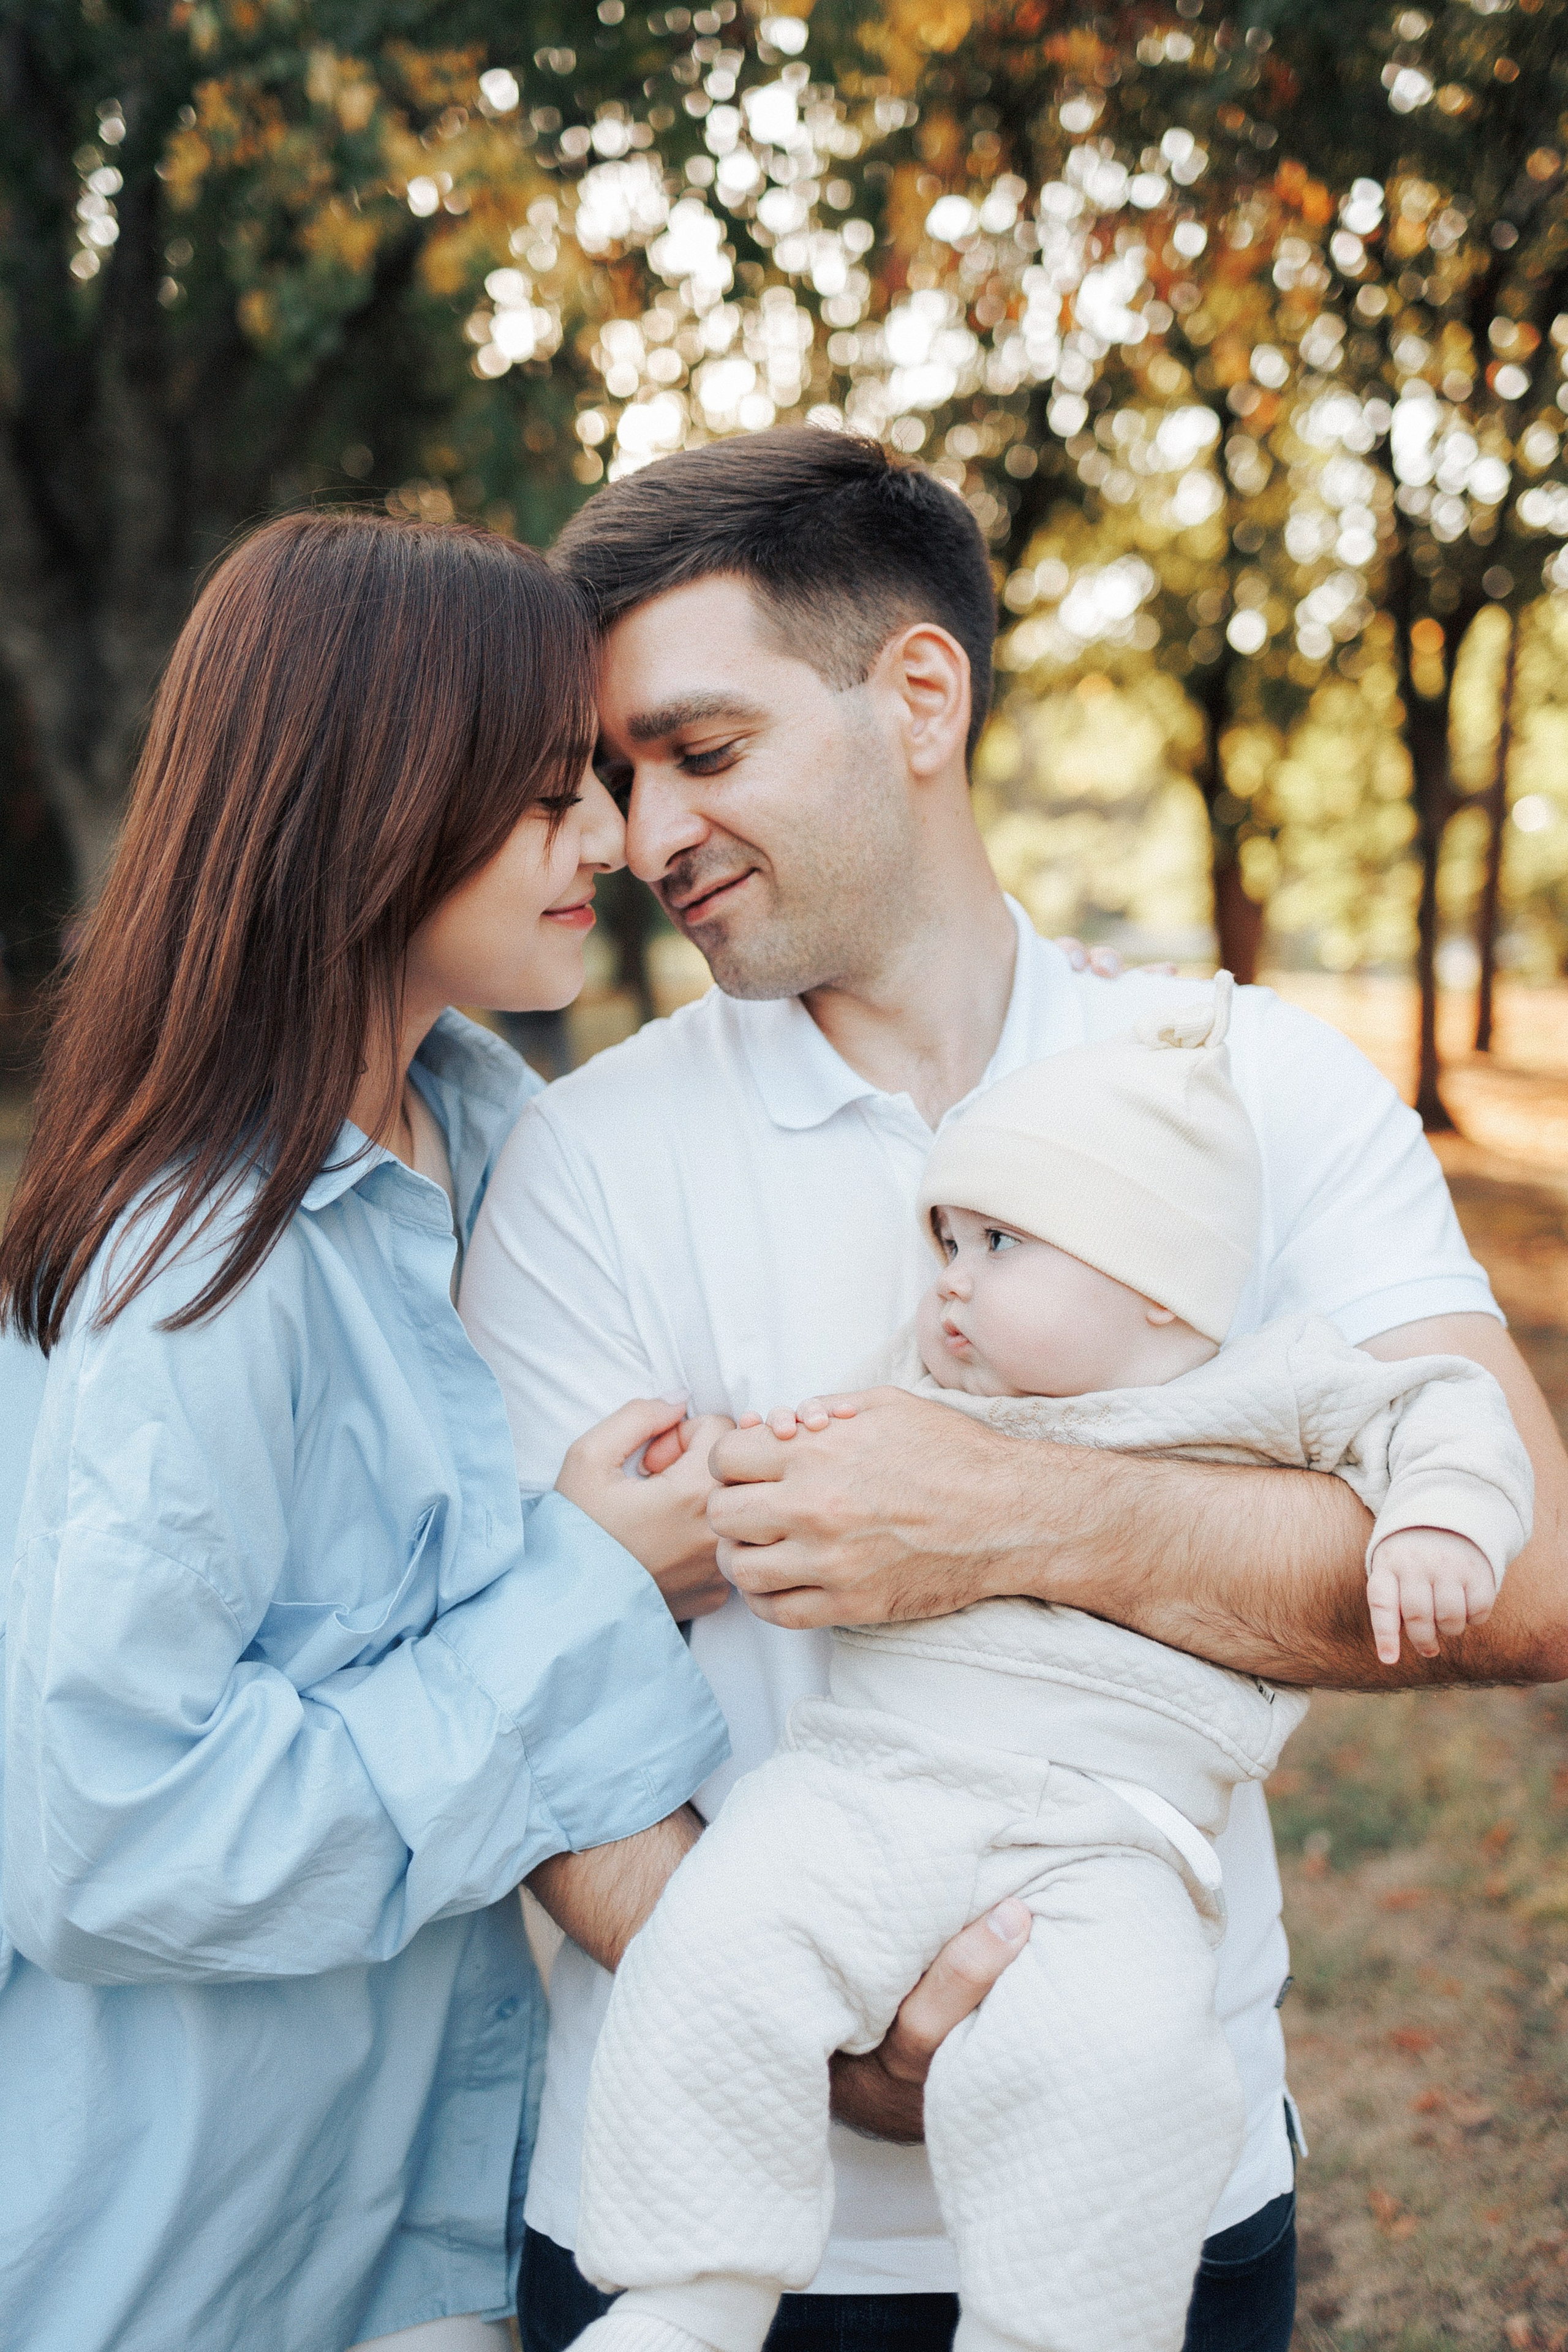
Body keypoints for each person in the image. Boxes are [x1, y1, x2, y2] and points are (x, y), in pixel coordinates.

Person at [459, 429, 1568, 2352]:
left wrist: (1018, 1511)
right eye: (621, 777)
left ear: (919, 696)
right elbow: (512, 1680)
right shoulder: (583, 1161)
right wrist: (840, 2038)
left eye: (703, 755)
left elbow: (1531, 1574)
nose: (647, 840)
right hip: (693, 2243)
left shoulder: (1251, 1082)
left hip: (1162, 2200)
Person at [0, 512, 731, 2352]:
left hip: (422, 2216)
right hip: (176, 2261)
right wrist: (581, 1589)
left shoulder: (494, 1150)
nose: (608, 839)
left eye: (600, 780)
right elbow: (110, 1842)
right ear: (365, 796)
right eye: (542, 787)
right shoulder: (198, 1274)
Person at [564, 979, 1532, 2352]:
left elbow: (1440, 1408)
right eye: (944, 1239)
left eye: (999, 1242)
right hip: (864, 1791)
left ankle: (1050, 2333)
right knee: (717, 1951)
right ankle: (687, 2293)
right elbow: (796, 1456)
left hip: (1106, 1842)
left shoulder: (1257, 1391)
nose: (948, 1278)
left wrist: (1437, 1519)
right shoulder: (921, 1390)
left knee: (1123, 2067)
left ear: (1151, 1281)